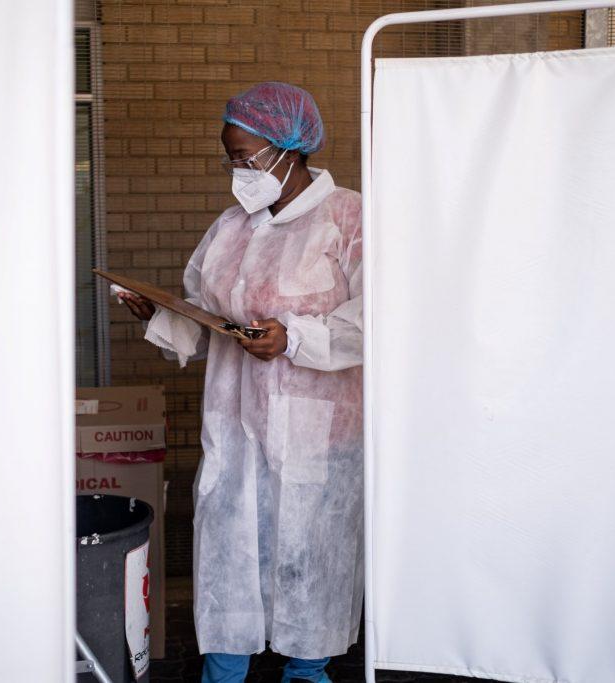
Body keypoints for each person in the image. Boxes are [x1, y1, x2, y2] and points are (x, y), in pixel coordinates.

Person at [120, 82, 363, 683]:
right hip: (234, 427)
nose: (238, 171)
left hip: (317, 433)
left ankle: (307, 670)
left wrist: (295, 338)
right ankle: (224, 670)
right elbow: (205, 312)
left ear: (289, 149)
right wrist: (161, 315)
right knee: (229, 549)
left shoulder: (348, 218)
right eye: (231, 158)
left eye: (245, 158)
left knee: (309, 553)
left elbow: (382, 319)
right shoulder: (232, 226)